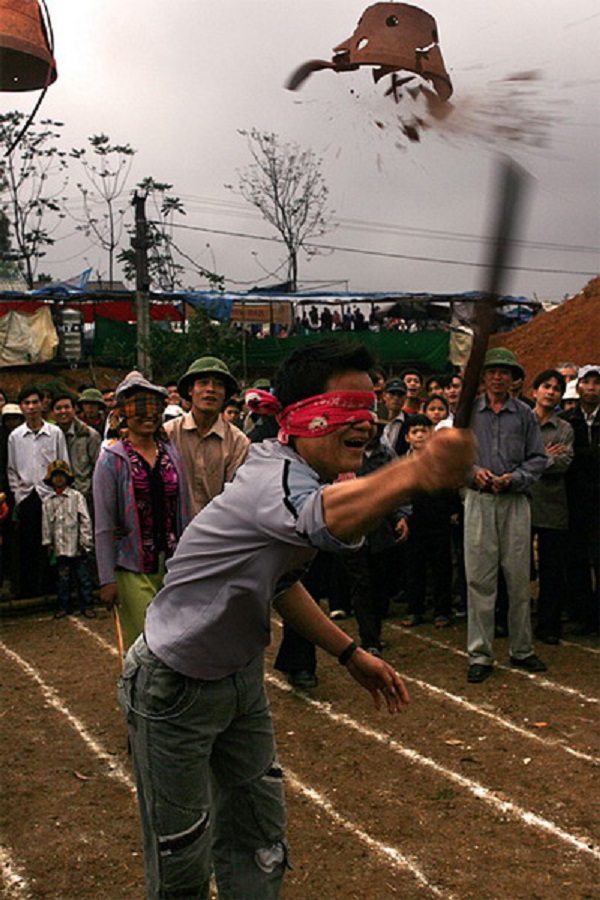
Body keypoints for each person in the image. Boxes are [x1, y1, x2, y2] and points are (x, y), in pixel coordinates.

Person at [119, 339, 474, 899]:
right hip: (173, 687)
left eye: (370, 409)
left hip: (239, 678)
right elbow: (323, 521)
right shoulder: (273, 482)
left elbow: (281, 585)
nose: (364, 423)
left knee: (259, 838)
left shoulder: (300, 477)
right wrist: (417, 470)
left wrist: (349, 652)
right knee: (181, 855)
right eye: (346, 410)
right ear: (300, 418)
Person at [464, 348, 547, 683]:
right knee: (479, 580)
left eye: (505, 372)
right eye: (492, 371)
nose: (498, 377)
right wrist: (474, 472)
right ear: (484, 377)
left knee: (518, 578)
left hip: (514, 501)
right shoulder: (469, 412)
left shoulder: (525, 415)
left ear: (514, 379)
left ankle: (522, 649)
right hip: (479, 500)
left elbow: (538, 459)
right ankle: (480, 654)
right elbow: (453, 456)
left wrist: (515, 478)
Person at [94, 372, 191, 647]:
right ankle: (138, 690)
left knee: (174, 640)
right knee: (145, 643)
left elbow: (183, 511)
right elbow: (104, 523)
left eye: (153, 409)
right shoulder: (111, 460)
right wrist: (106, 579)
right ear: (124, 414)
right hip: (131, 567)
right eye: (139, 409)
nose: (147, 416)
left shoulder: (172, 455)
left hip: (171, 565)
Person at [165, 357, 250, 516]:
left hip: (218, 531)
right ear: (190, 390)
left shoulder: (238, 442)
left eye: (218, 384)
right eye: (203, 382)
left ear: (225, 394)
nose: (210, 389)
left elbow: (236, 498)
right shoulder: (168, 433)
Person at [7, 386, 69, 599]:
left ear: (43, 404)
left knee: (53, 544)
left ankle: (53, 590)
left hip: (50, 494)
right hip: (26, 496)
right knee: (28, 545)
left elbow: (63, 462)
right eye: (27, 403)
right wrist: (17, 493)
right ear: (22, 407)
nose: (31, 407)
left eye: (35, 402)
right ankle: (29, 591)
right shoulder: (15, 436)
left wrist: (61, 492)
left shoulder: (55, 434)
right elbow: (12, 469)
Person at [529, 369, 574, 644]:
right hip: (521, 504)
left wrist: (533, 459)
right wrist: (544, 457)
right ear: (535, 391)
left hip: (553, 507)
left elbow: (564, 463)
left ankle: (548, 625)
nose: (550, 392)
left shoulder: (565, 428)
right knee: (516, 569)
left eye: (556, 389)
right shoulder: (520, 422)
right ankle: (512, 620)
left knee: (552, 571)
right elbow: (512, 458)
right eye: (546, 386)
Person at [400, 415, 456, 628]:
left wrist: (452, 511)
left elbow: (451, 489)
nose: (420, 435)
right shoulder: (401, 463)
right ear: (407, 437)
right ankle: (415, 610)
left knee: (441, 566)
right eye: (415, 431)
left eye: (424, 430)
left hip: (439, 521)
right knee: (414, 568)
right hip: (413, 522)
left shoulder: (442, 461)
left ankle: (442, 610)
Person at [560, 364, 600, 635]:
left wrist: (579, 453)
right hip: (573, 501)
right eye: (587, 382)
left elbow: (572, 455)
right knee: (576, 560)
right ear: (579, 386)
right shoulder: (567, 421)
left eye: (597, 383)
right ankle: (583, 614)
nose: (592, 388)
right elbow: (564, 458)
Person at [41, 459, 95, 619]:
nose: (58, 479)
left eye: (61, 476)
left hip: (77, 546)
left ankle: (88, 605)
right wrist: (48, 543)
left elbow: (85, 519)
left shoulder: (76, 497)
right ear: (50, 480)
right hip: (60, 547)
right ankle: (64, 606)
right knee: (63, 579)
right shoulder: (48, 501)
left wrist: (86, 541)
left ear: (67, 478)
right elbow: (46, 524)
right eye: (55, 476)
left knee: (83, 578)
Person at [51, 393, 102, 514]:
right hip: (57, 495)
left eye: (67, 407)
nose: (63, 411)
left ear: (74, 409)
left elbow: (98, 468)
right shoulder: (50, 435)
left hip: (84, 495)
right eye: (58, 408)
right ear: (52, 412)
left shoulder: (89, 435)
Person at [382, 377, 410, 456]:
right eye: (392, 394)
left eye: (400, 395)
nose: (396, 398)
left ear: (405, 397)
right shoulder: (375, 418)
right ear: (384, 395)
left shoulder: (409, 422)